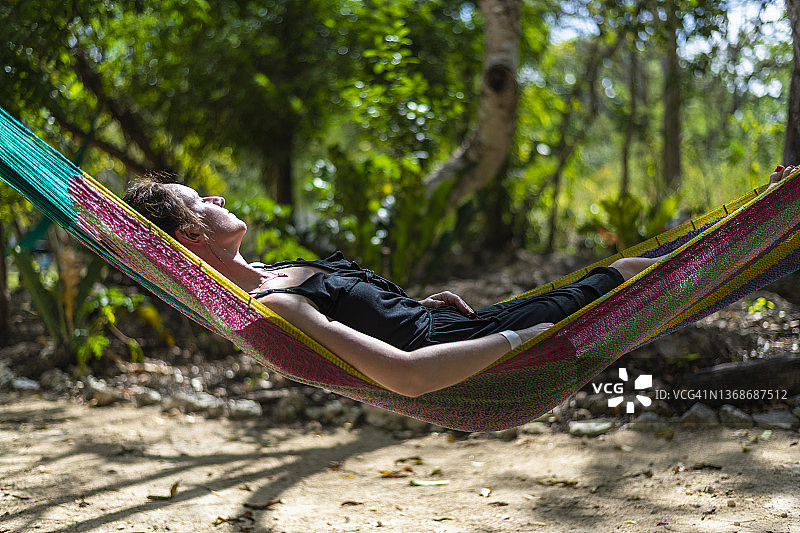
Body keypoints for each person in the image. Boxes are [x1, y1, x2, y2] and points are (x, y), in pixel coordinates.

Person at [122, 165, 794, 397]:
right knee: (627, 275)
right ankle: (771, 223)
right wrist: (524, 340)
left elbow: (390, 324)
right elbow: (409, 375)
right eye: (199, 199)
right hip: (490, 340)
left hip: (469, 324)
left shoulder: (275, 273)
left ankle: (768, 226)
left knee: (625, 272)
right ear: (192, 237)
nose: (213, 195)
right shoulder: (276, 304)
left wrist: (416, 306)